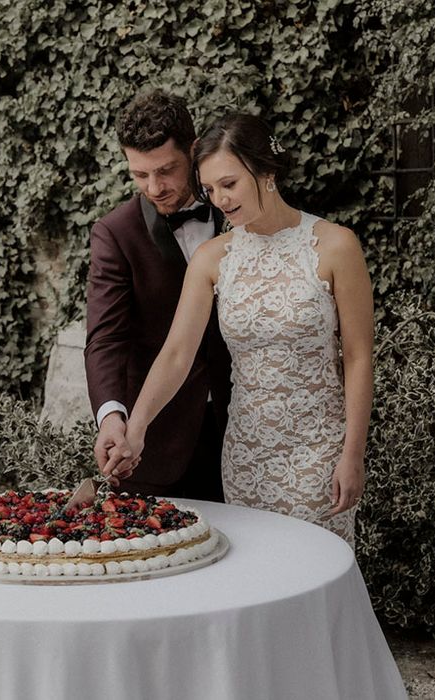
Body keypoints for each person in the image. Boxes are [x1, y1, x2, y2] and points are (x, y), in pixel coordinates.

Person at [109, 113, 374, 547]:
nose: (220, 200)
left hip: (318, 456)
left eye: (229, 184)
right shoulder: (212, 259)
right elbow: (177, 353)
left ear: (265, 171)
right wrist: (135, 430)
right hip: (246, 456)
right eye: (210, 189)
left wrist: (352, 454)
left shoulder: (336, 245)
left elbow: (359, 357)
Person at [80, 90, 232, 502]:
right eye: (140, 175)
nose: (155, 187)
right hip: (155, 442)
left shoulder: (237, 209)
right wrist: (112, 417)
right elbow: (106, 339)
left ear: (194, 149)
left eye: (166, 171)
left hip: (245, 428)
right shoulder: (117, 233)